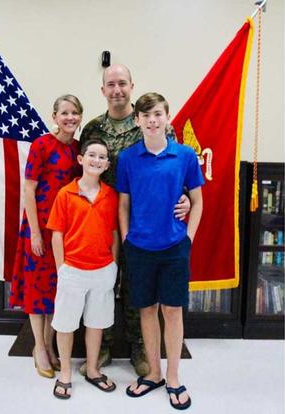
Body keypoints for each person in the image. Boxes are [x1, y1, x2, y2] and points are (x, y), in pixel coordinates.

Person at [79, 64, 191, 377]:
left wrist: (183, 198)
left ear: (132, 86)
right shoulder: (91, 130)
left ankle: (141, 345)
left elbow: (172, 166)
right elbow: (85, 171)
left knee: (136, 285)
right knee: (102, 282)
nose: (117, 90)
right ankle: (101, 342)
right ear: (103, 90)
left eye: (122, 83)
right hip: (101, 215)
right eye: (110, 84)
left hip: (143, 220)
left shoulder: (152, 121)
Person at [118, 93, 203, 410]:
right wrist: (127, 237)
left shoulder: (185, 156)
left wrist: (188, 239)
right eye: (145, 115)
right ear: (137, 120)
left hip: (174, 248)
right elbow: (123, 203)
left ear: (167, 117)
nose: (152, 120)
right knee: (147, 310)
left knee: (172, 311)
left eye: (157, 114)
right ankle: (153, 372)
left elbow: (197, 201)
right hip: (139, 247)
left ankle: (174, 376)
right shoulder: (128, 158)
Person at [9, 94, 83, 379]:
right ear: (55, 117)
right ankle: (38, 347)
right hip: (38, 228)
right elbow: (28, 189)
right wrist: (35, 234)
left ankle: (51, 346)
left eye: (74, 113)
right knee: (37, 290)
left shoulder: (77, 150)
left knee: (56, 291)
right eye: (64, 112)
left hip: (63, 232)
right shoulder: (42, 145)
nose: (69, 117)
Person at [46, 138, 119, 399]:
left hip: (102, 270)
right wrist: (61, 268)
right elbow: (57, 234)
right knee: (65, 324)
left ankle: (92, 368)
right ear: (81, 159)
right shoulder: (66, 194)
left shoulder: (111, 195)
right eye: (92, 155)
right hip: (73, 270)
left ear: (107, 164)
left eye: (102, 157)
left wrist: (114, 265)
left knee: (96, 323)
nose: (96, 160)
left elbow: (113, 232)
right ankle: (65, 372)